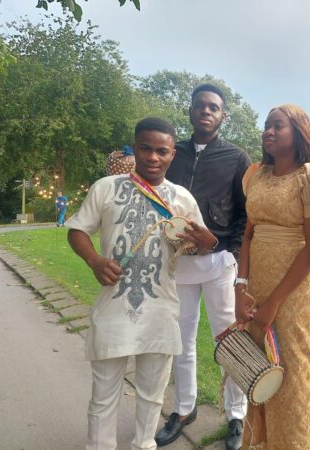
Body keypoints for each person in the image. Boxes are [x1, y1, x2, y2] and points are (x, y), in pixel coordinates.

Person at [67, 117, 217, 450]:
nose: (153, 157)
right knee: (104, 395)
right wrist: (94, 261)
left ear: (172, 154)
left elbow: (201, 241)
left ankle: (144, 444)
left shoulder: (181, 198)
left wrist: (207, 240)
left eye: (161, 151)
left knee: (152, 396)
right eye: (145, 149)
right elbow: (77, 230)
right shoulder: (106, 187)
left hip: (160, 308)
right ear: (134, 148)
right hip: (113, 306)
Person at [155, 84, 251, 450]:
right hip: (179, 261)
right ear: (191, 111)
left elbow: (245, 212)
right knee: (182, 339)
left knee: (228, 338)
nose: (206, 112)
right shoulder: (172, 153)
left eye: (214, 107)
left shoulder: (236, 157)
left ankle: (236, 414)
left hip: (218, 260)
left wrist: (233, 254)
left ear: (223, 115)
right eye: (200, 106)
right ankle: (184, 408)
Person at [234, 104, 310, 449]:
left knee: (292, 375)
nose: (268, 132)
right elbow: (248, 235)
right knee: (257, 371)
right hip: (255, 286)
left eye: (278, 126)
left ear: (298, 131)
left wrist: (274, 301)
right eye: (266, 125)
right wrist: (240, 287)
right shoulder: (254, 175)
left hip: (294, 292)